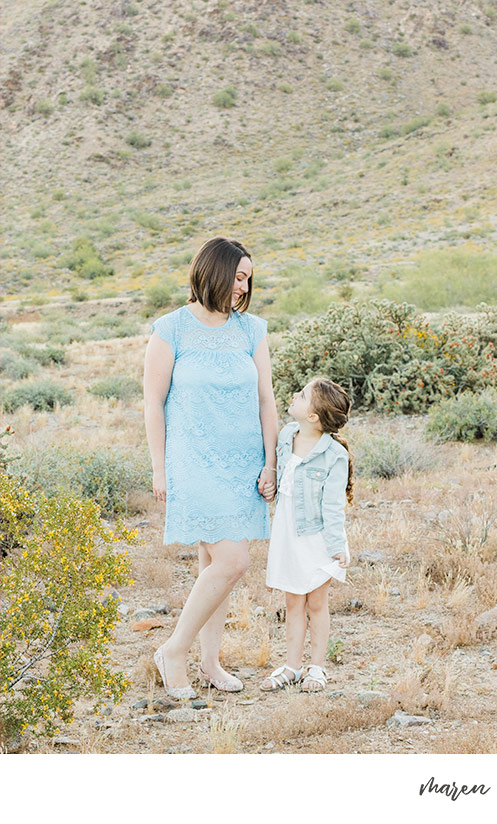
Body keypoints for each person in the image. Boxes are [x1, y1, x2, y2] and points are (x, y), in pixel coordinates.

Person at [144, 237, 278, 699]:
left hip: (243, 463)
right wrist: (159, 469)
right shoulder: (171, 329)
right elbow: (153, 403)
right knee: (233, 561)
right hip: (193, 462)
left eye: (248, 279)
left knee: (213, 563)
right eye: (238, 276)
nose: (244, 287)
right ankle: (173, 651)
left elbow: (267, 400)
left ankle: (210, 662)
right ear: (214, 273)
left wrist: (270, 461)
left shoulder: (252, 330)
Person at [260, 377, 353, 693]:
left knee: (317, 603)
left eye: (302, 395)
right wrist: (269, 481)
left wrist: (337, 547)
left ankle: (316, 667)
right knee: (293, 602)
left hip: (318, 538)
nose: (294, 396)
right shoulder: (287, 436)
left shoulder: (333, 455)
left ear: (313, 416)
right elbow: (277, 472)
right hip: (288, 535)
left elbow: (333, 505)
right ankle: (292, 666)